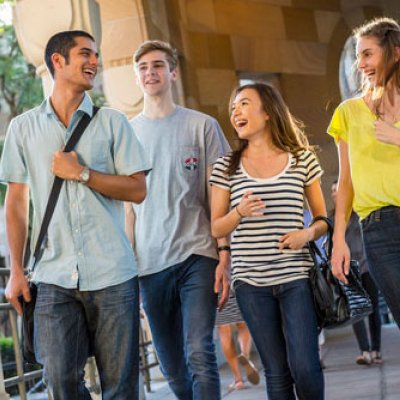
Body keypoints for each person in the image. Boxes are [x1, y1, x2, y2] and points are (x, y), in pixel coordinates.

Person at [0, 30, 150, 399]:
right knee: (61, 383)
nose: (94, 62)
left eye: (96, 55)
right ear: (57, 61)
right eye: (85, 54)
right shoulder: (22, 129)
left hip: (113, 272)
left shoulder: (113, 123)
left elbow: (137, 189)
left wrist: (82, 173)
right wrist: (16, 272)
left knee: (122, 388)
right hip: (52, 276)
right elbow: (17, 202)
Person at [126, 40, 231, 400]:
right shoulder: (125, 134)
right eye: (142, 67)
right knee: (171, 365)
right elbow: (127, 209)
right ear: (136, 77)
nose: (150, 72)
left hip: (196, 255)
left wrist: (224, 255)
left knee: (199, 351)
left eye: (157, 65)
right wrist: (129, 271)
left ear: (172, 72)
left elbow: (219, 196)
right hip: (148, 266)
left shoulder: (202, 127)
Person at [210, 82, 327, 400]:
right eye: (233, 107)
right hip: (251, 283)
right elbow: (217, 226)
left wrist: (307, 233)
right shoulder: (225, 167)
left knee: (305, 366)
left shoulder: (302, 159)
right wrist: (239, 212)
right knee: (276, 371)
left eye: (244, 104)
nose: (236, 112)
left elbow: (322, 219)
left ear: (267, 111)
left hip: (296, 277)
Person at [328, 17, 400, 329]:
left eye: (368, 54)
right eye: (358, 56)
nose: (361, 63)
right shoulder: (348, 112)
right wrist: (339, 239)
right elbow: (346, 182)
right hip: (378, 229)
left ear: (395, 53)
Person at [331, 181, 382, 365]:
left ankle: (376, 349)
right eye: (333, 192)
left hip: (367, 266)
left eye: (338, 190)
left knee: (373, 309)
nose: (336, 194)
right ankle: (364, 351)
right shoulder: (334, 218)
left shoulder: (359, 209)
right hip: (348, 269)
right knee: (356, 310)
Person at [215, 293, 260, 390]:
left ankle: (238, 380)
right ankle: (244, 354)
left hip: (217, 287)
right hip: (235, 284)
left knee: (224, 331)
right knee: (244, 325)